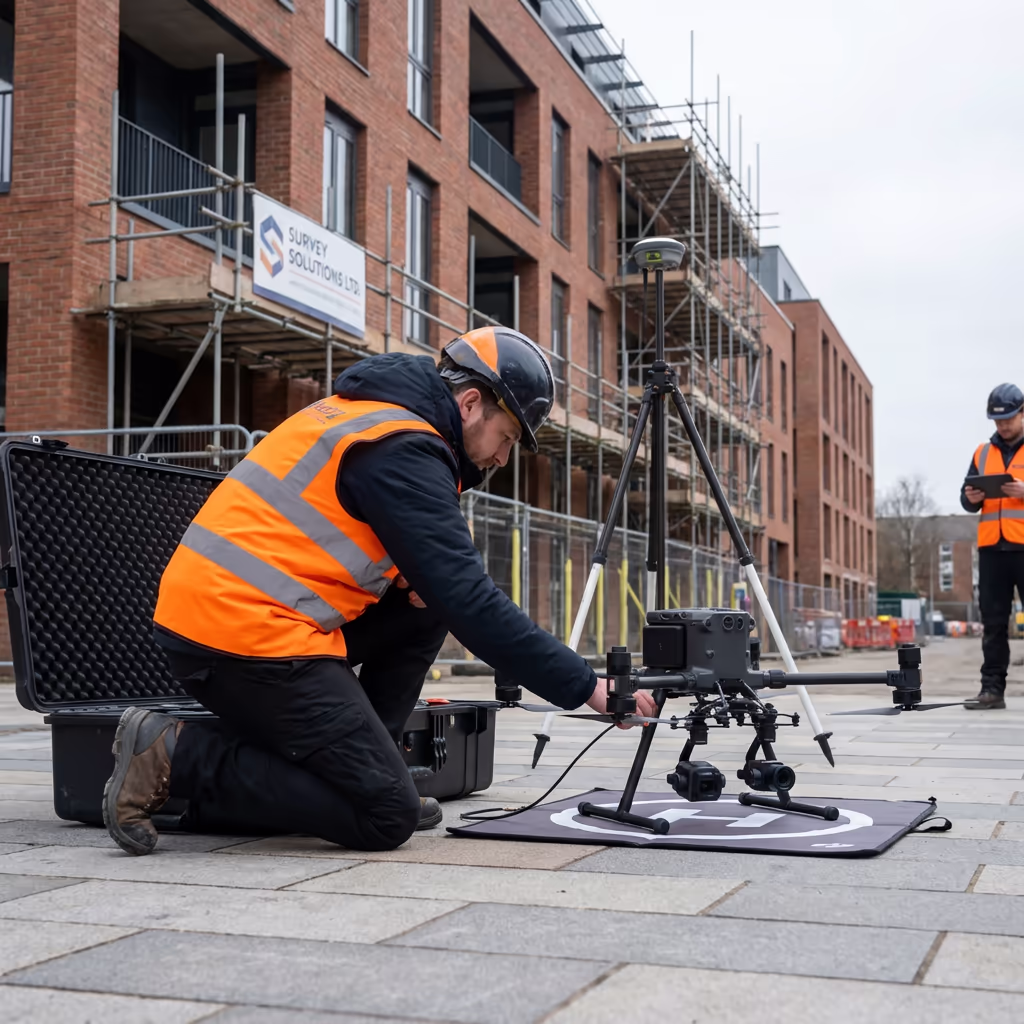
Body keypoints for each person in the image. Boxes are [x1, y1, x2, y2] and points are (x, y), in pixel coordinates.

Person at [102, 327, 658, 856]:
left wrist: (406, 578)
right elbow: (471, 603)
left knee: (423, 609)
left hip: (248, 619)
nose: (502, 458)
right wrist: (589, 688)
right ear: (468, 405)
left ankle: (373, 759)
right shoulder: (401, 449)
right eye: (506, 437)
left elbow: (343, 538)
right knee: (384, 815)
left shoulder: (379, 420)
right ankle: (176, 754)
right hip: (241, 634)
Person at [960, 382, 1024, 710]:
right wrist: (971, 498)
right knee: (993, 623)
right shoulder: (982, 453)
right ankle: (992, 690)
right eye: (997, 420)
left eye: (1009, 419)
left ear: (1022, 413)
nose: (1002, 425)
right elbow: (967, 498)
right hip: (991, 550)